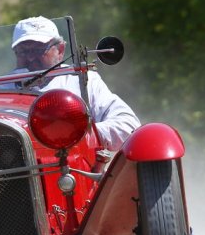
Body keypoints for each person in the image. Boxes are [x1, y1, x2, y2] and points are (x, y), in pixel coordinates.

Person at [10, 16, 140, 151]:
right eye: (23, 51)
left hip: (74, 168)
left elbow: (129, 125)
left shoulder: (82, 80)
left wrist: (80, 133)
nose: (30, 57)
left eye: (38, 50)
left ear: (60, 50)